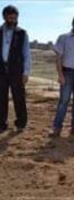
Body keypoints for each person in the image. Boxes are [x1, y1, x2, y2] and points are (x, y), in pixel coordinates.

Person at [0, 5, 31, 133]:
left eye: (15, 17)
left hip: (16, 71)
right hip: (1, 70)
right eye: (10, 17)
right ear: (4, 17)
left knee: (19, 97)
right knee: (1, 98)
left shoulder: (22, 33)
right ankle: (2, 123)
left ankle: (21, 123)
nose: (13, 20)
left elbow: (26, 54)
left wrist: (26, 72)